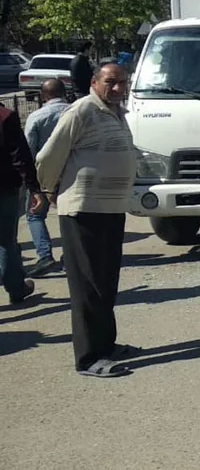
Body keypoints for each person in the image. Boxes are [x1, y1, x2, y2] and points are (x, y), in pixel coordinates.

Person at [37, 64, 138, 377]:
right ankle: (88, 357)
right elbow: (48, 156)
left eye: (123, 82)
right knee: (88, 285)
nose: (119, 88)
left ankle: (106, 345)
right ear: (95, 82)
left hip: (110, 209)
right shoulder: (80, 111)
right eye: (111, 82)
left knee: (106, 281)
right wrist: (48, 189)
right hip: (83, 209)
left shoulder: (116, 112)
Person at [23, 78, 72, 277]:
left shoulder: (36, 117)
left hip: (44, 174)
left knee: (35, 215)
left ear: (43, 96)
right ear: (64, 92)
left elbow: (28, 149)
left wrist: (30, 181)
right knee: (69, 214)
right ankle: (70, 256)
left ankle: (45, 256)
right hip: (73, 171)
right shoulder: (77, 112)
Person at [0, 103, 46, 306]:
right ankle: (16, 288)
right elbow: (19, 155)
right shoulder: (5, 116)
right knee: (6, 240)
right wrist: (34, 188)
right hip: (4, 188)